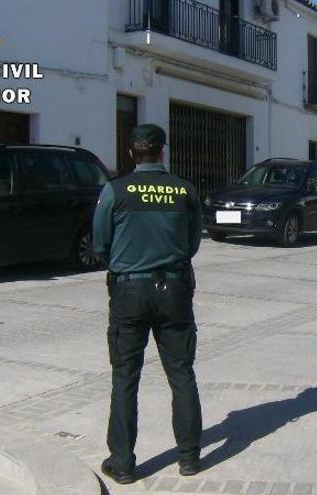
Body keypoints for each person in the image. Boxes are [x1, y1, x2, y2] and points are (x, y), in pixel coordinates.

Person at [93, 124, 204, 484]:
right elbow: (192, 243)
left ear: (131, 154)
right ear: (162, 153)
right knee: (182, 374)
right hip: (173, 289)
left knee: (125, 378)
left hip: (129, 292)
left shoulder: (115, 190)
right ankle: (189, 459)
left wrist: (127, 263)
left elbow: (100, 245)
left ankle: (123, 464)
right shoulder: (184, 191)